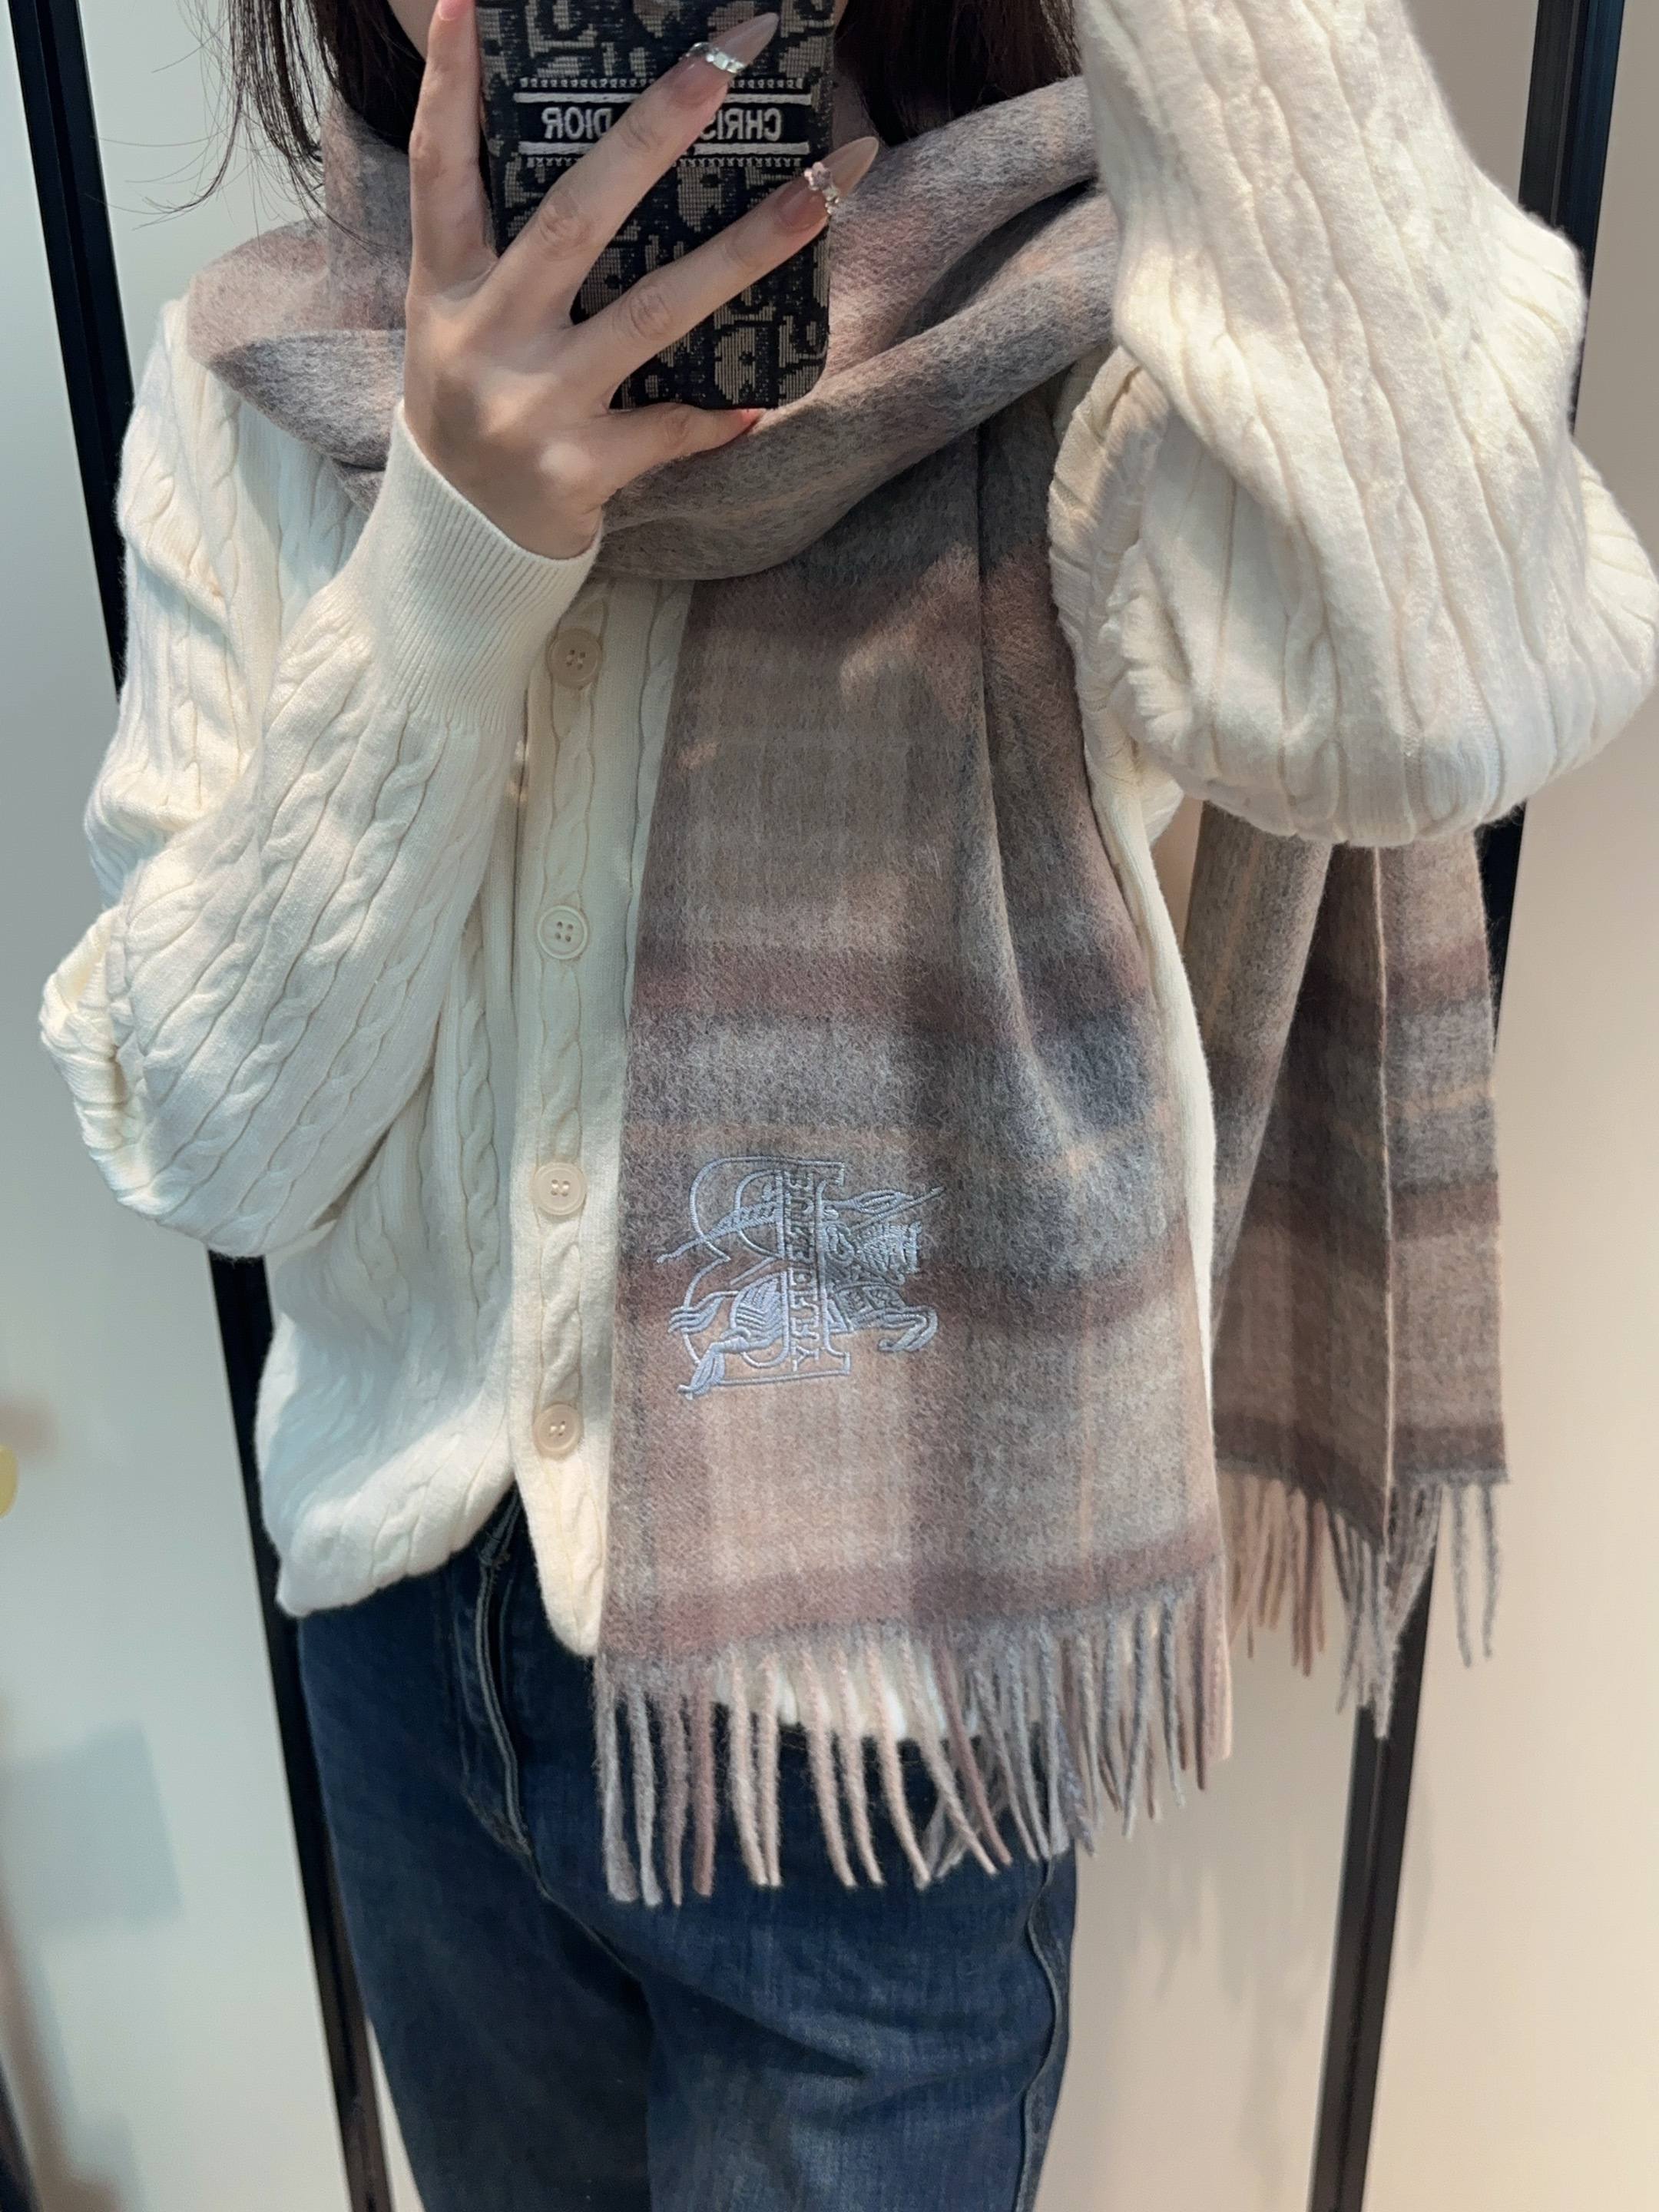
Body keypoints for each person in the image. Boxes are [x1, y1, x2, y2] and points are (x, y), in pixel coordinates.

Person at [36, 2, 1657, 2206]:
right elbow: (198, 1134)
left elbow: (1450, 675)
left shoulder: (1071, 315)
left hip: (873, 1736)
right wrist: (450, 553)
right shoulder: (257, 376)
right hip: (406, 1661)